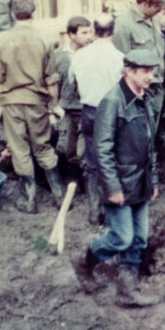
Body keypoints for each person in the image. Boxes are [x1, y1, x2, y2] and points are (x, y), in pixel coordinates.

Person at [72, 48, 162, 308]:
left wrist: (153, 178)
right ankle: (84, 262)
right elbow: (101, 148)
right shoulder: (112, 101)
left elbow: (149, 143)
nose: (150, 76)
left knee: (140, 237)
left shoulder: (145, 98)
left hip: (141, 180)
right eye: (144, 72)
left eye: (152, 71)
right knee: (122, 237)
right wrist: (112, 186)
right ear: (128, 71)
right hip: (120, 182)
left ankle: (126, 290)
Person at [0, 0, 65, 213]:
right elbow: (51, 79)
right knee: (42, 146)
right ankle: (60, 196)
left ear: (12, 14)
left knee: (19, 149)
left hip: (11, 102)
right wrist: (55, 105)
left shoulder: (0, 40)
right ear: (33, 14)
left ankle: (29, 200)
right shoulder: (44, 41)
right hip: (36, 102)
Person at [69, 13, 125, 221]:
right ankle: (111, 210)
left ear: (93, 31)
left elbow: (72, 84)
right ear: (114, 31)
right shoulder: (119, 58)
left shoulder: (79, 56)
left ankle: (94, 210)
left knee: (92, 160)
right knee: (112, 159)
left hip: (89, 111)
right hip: (111, 113)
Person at [113, 0, 165, 132]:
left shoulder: (152, 19)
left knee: (152, 131)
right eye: (157, 5)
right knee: (139, 132)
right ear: (145, 3)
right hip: (138, 89)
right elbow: (122, 62)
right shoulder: (123, 24)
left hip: (155, 84)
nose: (160, 9)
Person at [55, 15, 93, 166]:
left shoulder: (93, 54)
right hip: (67, 109)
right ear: (71, 35)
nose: (89, 36)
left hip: (87, 108)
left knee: (85, 149)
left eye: (90, 32)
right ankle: (73, 182)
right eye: (84, 33)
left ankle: (88, 183)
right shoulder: (58, 56)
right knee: (67, 148)